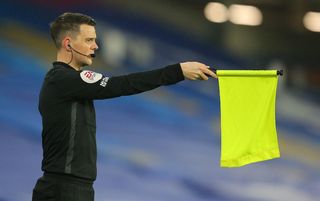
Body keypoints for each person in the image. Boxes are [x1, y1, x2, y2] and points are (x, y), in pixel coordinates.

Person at [31, 12, 217, 201]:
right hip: (63, 190)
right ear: (68, 43)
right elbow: (121, 84)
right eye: (89, 40)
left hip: (74, 188)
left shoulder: (69, 82)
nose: (95, 46)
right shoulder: (62, 79)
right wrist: (177, 71)